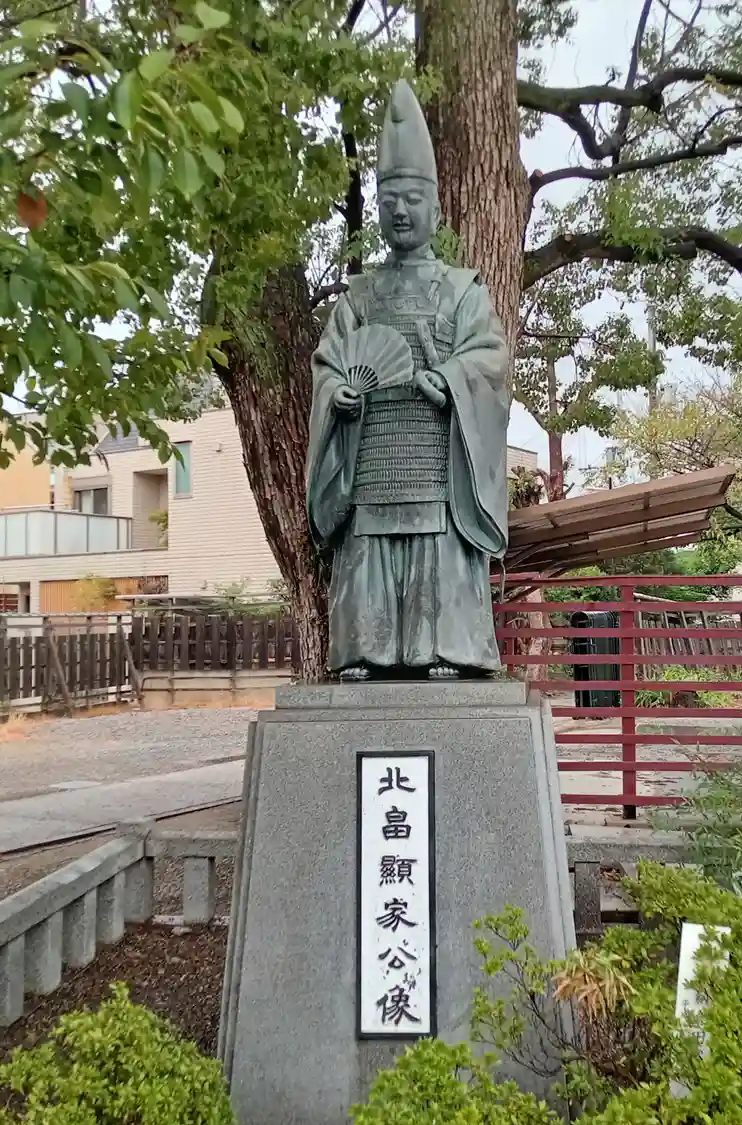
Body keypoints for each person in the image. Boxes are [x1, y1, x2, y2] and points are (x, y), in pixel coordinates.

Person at [306, 80, 510, 681]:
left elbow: (490, 360)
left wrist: (450, 378)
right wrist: (337, 395)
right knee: (367, 550)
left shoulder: (463, 291)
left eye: (412, 200)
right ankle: (364, 650)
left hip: (435, 464)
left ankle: (445, 648)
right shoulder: (358, 296)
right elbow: (329, 364)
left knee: (437, 550)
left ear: (436, 210)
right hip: (372, 460)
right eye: (389, 200)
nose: (399, 211)